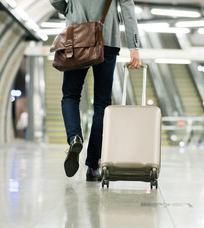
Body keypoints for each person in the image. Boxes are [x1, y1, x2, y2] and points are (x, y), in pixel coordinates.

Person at [49, 0, 141, 181]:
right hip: (107, 39)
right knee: (102, 103)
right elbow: (127, 6)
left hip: (76, 38)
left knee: (70, 96)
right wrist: (134, 47)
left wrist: (69, 10)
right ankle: (92, 166)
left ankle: (75, 137)